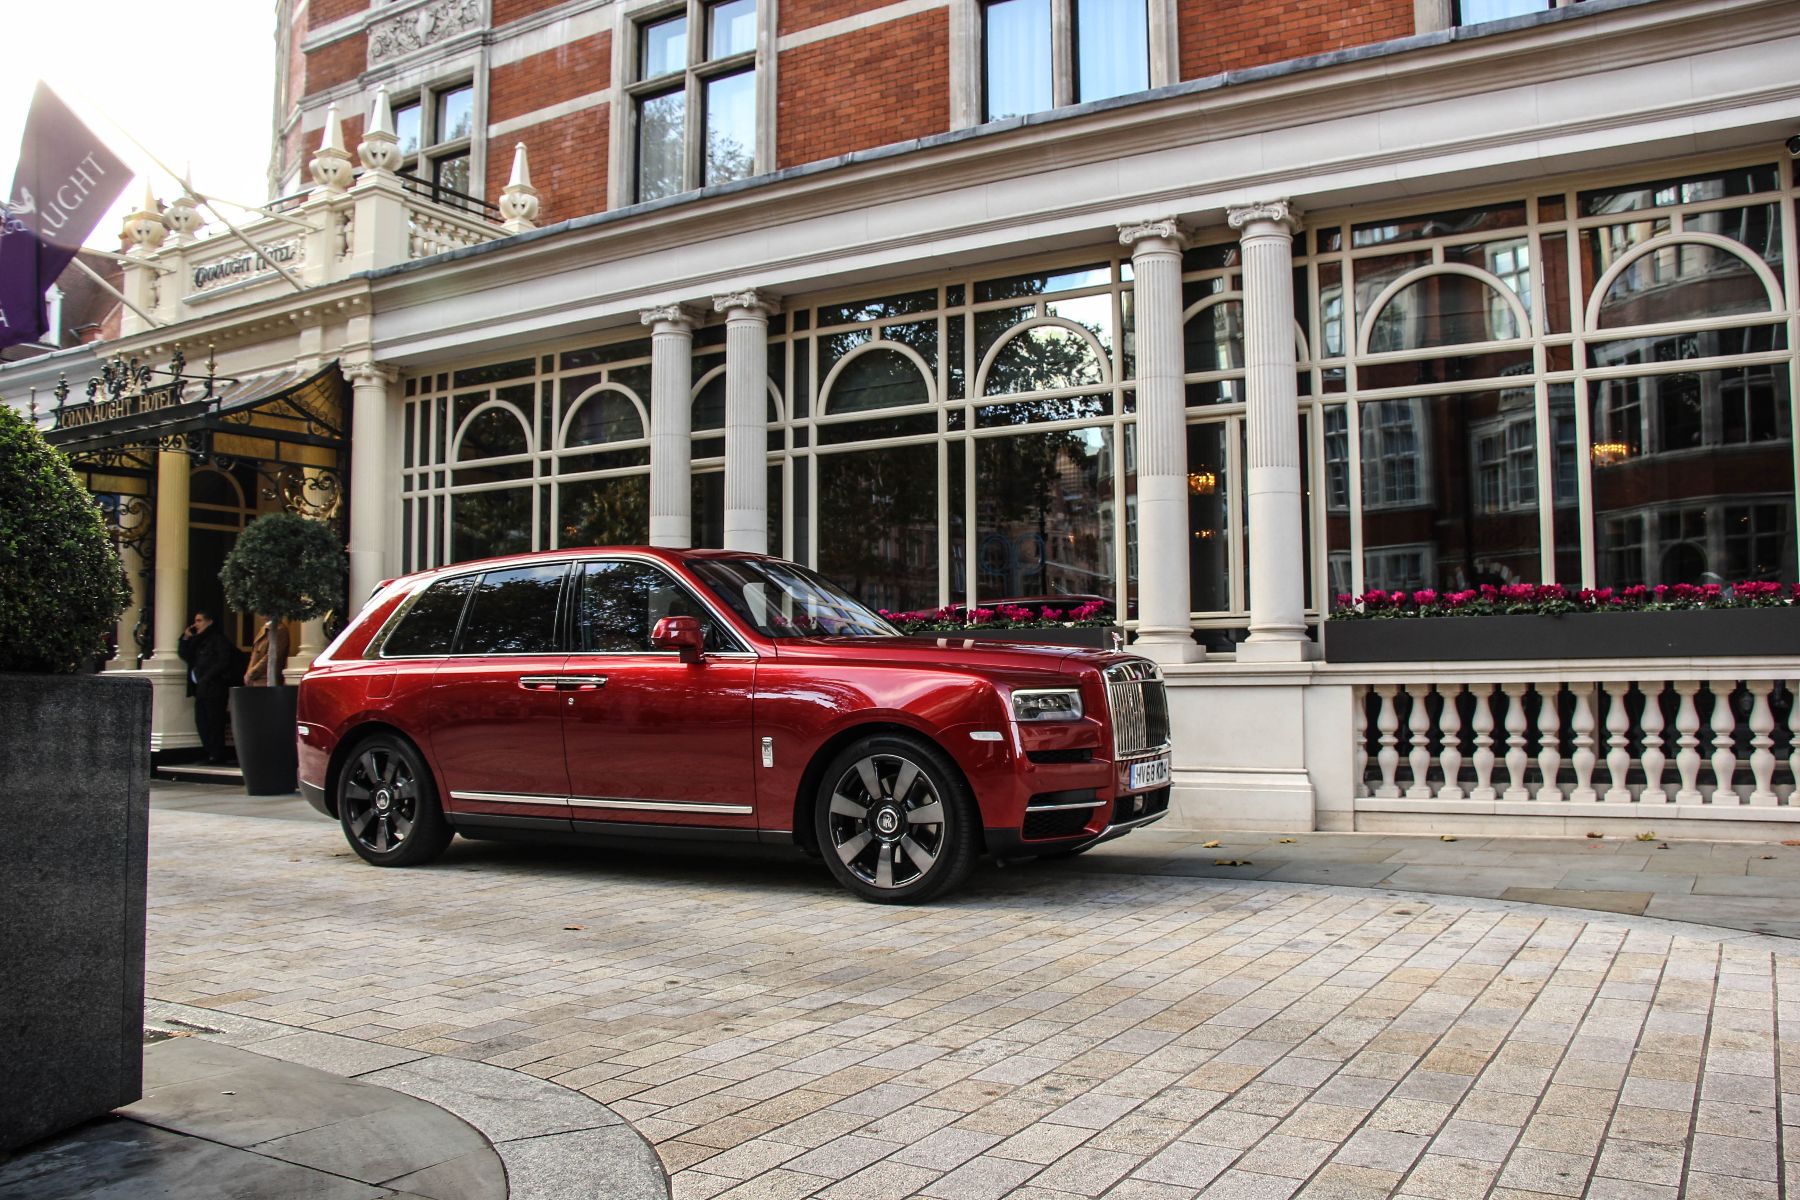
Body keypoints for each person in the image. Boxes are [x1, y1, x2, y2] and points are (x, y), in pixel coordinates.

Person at [178, 610, 234, 764]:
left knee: (214, 721)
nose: (196, 624)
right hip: (201, 688)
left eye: (200, 620)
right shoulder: (197, 640)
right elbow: (185, 655)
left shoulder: (217, 639)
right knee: (202, 721)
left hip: (214, 687)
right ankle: (209, 752)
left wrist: (207, 677)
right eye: (195, 621)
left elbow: (224, 661)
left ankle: (216, 754)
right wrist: (185, 638)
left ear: (209, 622)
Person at [243, 616, 288, 687]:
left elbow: (271, 656)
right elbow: (255, 655)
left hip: (266, 679)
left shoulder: (279, 630)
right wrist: (249, 673)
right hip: (257, 679)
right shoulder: (265, 628)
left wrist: (252, 672)